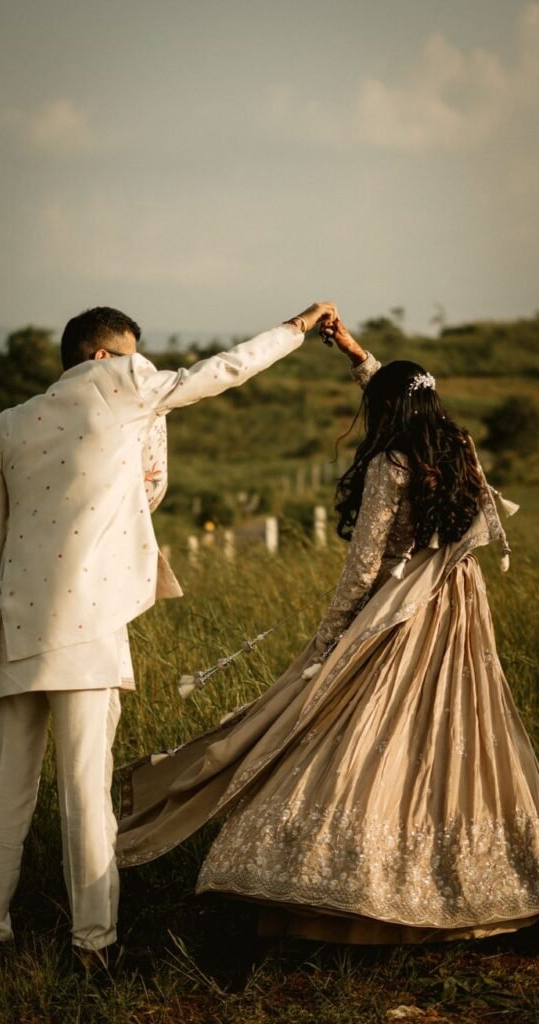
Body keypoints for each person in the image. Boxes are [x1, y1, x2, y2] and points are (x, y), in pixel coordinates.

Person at [116, 320, 539, 944]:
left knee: (357, 730)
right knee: (458, 730)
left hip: (402, 608)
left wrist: (331, 641)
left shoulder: (390, 461)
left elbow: (365, 564)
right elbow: (400, 392)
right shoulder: (456, 442)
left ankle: (339, 885)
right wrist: (356, 354)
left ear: (387, 409)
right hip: (459, 602)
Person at [0, 300, 339, 957]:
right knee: (85, 795)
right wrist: (298, 327)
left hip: (13, 633)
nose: (150, 368)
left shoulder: (12, 421)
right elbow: (225, 369)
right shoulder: (125, 385)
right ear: (102, 357)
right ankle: (93, 943)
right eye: (135, 355)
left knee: (4, 797)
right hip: (86, 631)